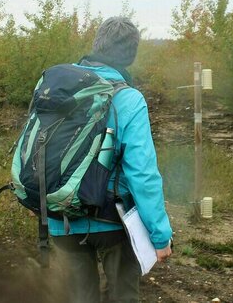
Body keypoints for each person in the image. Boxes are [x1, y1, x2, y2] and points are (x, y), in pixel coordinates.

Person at [49, 16, 173, 303]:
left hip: (60, 215)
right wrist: (160, 235)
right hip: (111, 220)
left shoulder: (58, 87)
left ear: (96, 44)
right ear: (130, 56)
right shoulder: (129, 99)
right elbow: (142, 173)